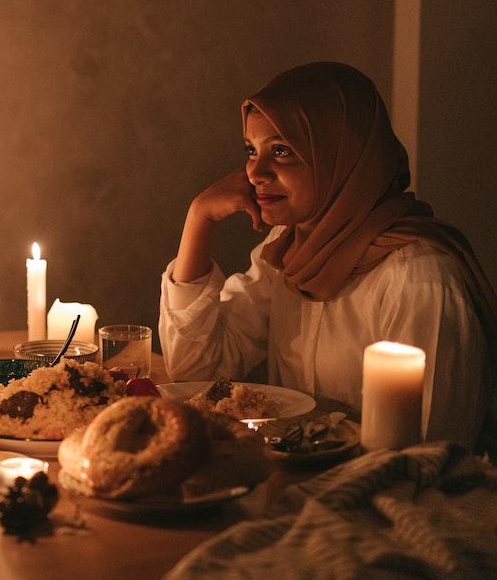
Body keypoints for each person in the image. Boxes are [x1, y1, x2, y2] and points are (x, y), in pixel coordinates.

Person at [159, 62, 497, 452]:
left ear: (342, 159)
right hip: (300, 482)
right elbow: (198, 370)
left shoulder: (418, 278)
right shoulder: (290, 248)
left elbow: (431, 452)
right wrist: (199, 218)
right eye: (251, 150)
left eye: (282, 151)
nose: (255, 172)